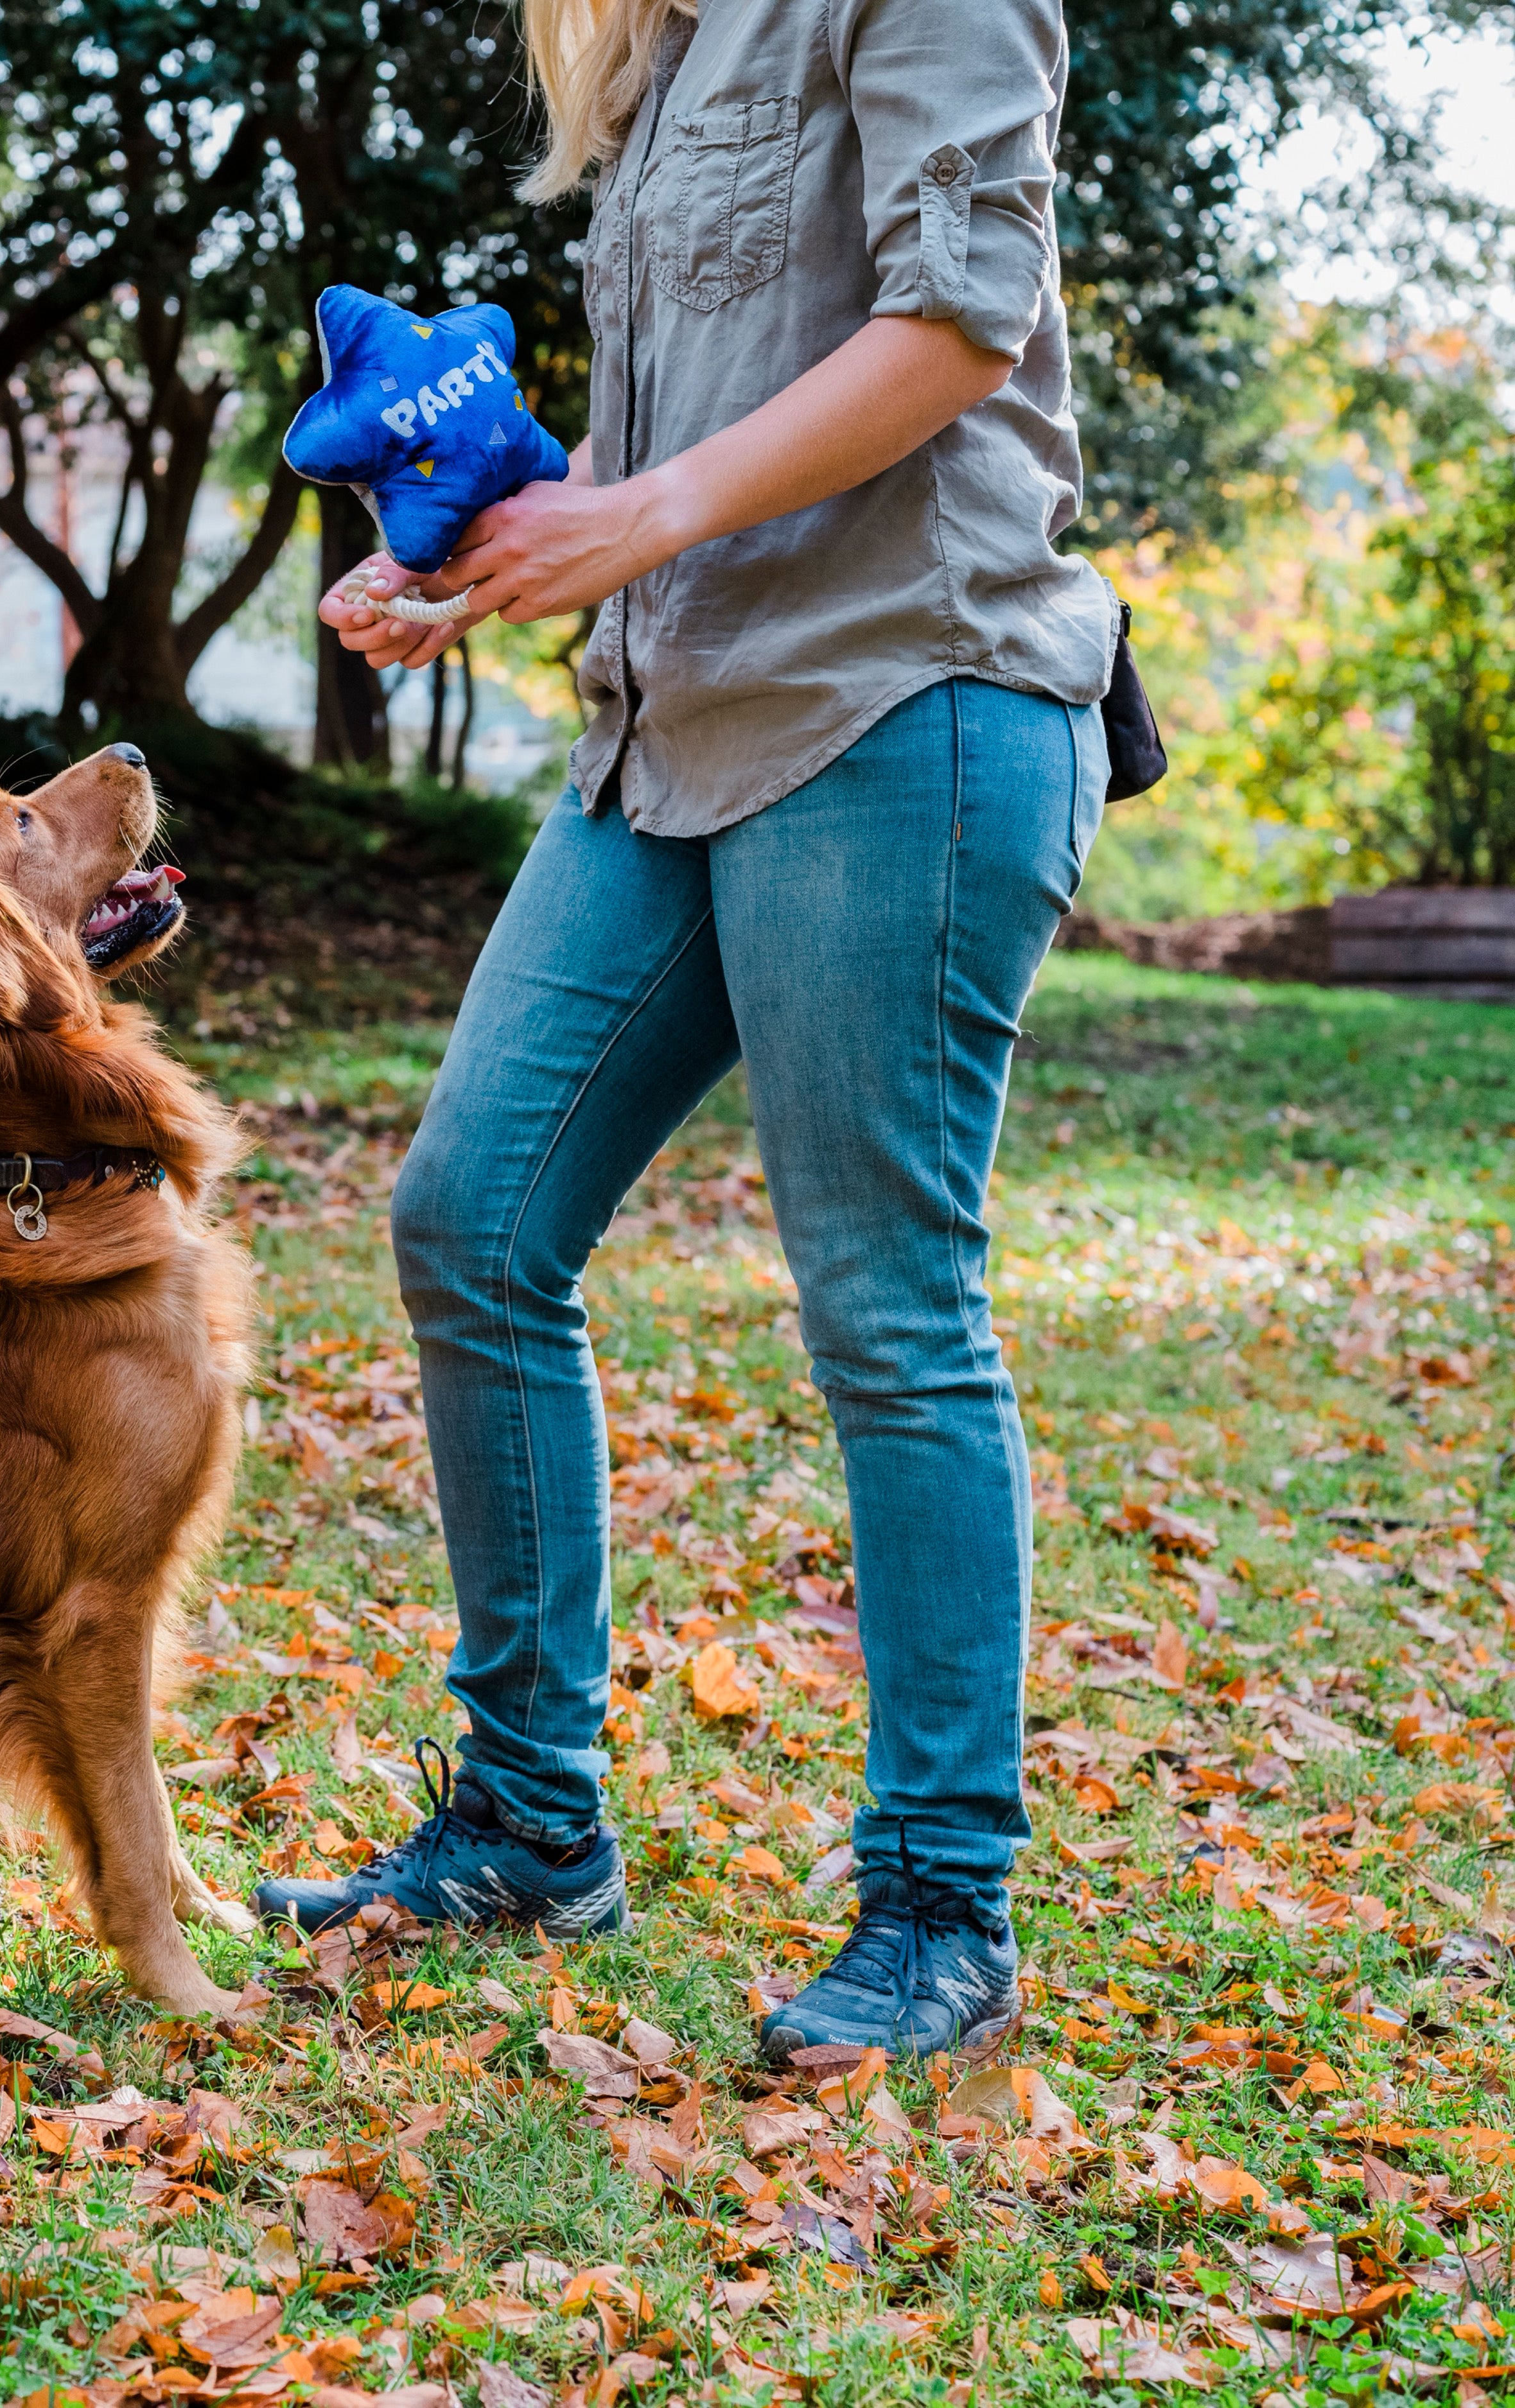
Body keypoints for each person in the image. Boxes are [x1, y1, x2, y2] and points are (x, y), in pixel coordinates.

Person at [249, 0, 1113, 2064]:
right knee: (472, 1218)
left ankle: (940, 1908)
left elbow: (960, 324)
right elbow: (691, 436)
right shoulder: (663, 41)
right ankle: (534, 1821)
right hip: (675, 717)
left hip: (909, 695)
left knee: (889, 1312)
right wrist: (497, 560)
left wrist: (633, 525)